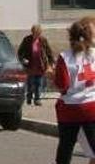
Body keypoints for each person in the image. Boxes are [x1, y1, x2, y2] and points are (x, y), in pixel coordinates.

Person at [52, 16, 95, 164]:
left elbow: (62, 84)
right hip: (91, 107)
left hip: (69, 109)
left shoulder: (65, 57)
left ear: (71, 36)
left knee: (66, 146)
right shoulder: (94, 54)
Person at [17, 24, 55, 106]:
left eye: (38, 33)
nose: (37, 35)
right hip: (30, 65)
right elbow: (20, 52)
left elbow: (49, 52)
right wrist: (23, 59)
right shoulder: (27, 40)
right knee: (30, 83)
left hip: (40, 65)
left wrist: (52, 63)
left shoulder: (43, 40)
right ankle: (29, 98)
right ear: (32, 32)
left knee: (38, 83)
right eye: (35, 33)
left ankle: (37, 99)